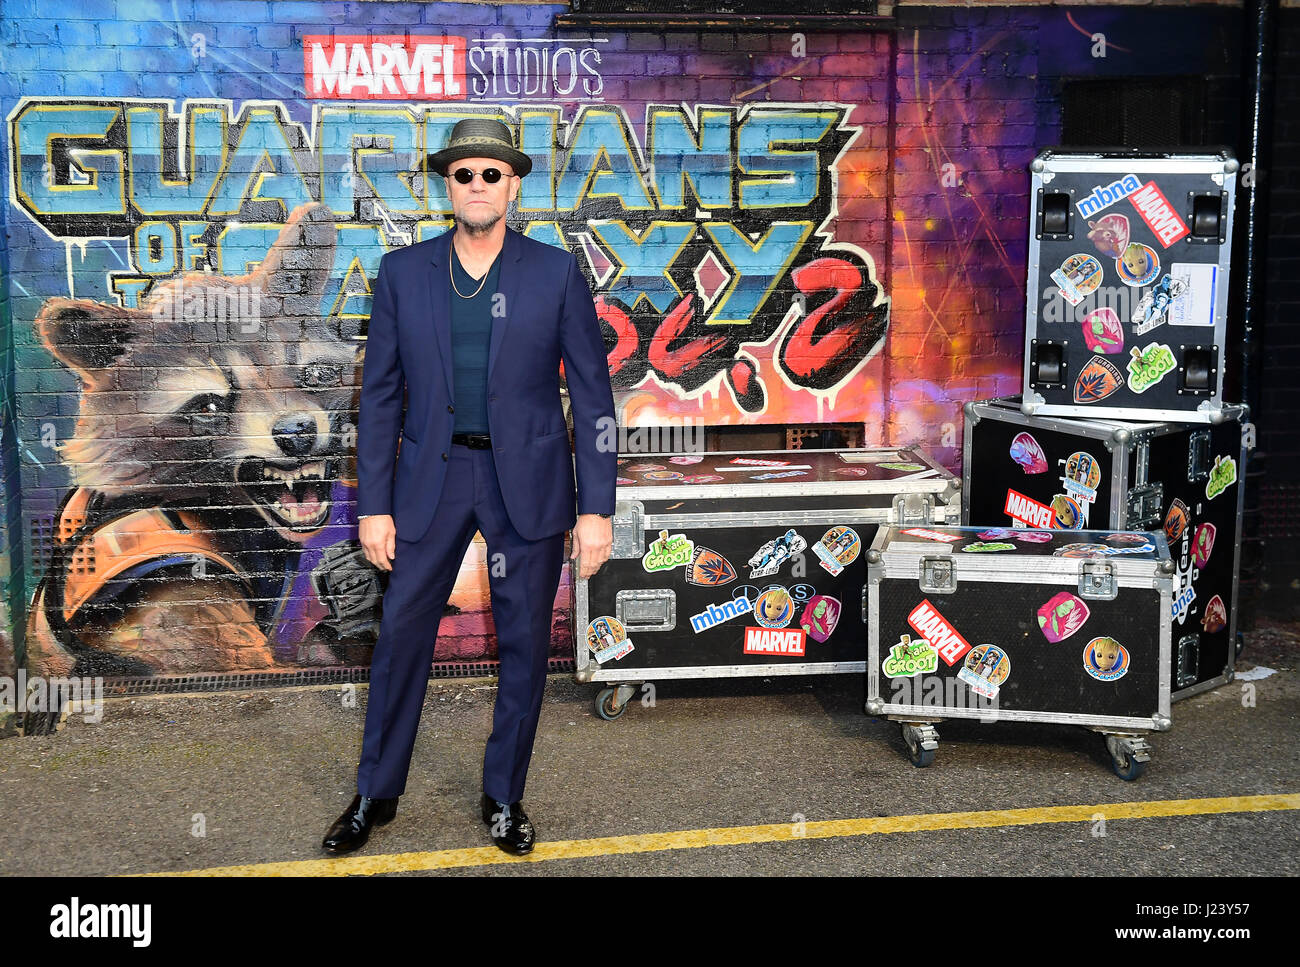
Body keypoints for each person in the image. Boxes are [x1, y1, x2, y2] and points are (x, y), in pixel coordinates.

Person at [322, 118, 617, 857]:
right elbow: (381, 398)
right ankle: (375, 793)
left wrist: (597, 508)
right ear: (446, 186)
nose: (478, 185)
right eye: (464, 174)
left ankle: (504, 795)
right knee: (399, 640)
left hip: (530, 483)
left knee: (523, 644)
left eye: (492, 174)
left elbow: (594, 399)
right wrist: (376, 505)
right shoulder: (403, 272)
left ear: (514, 184)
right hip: (433, 478)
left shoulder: (553, 273)